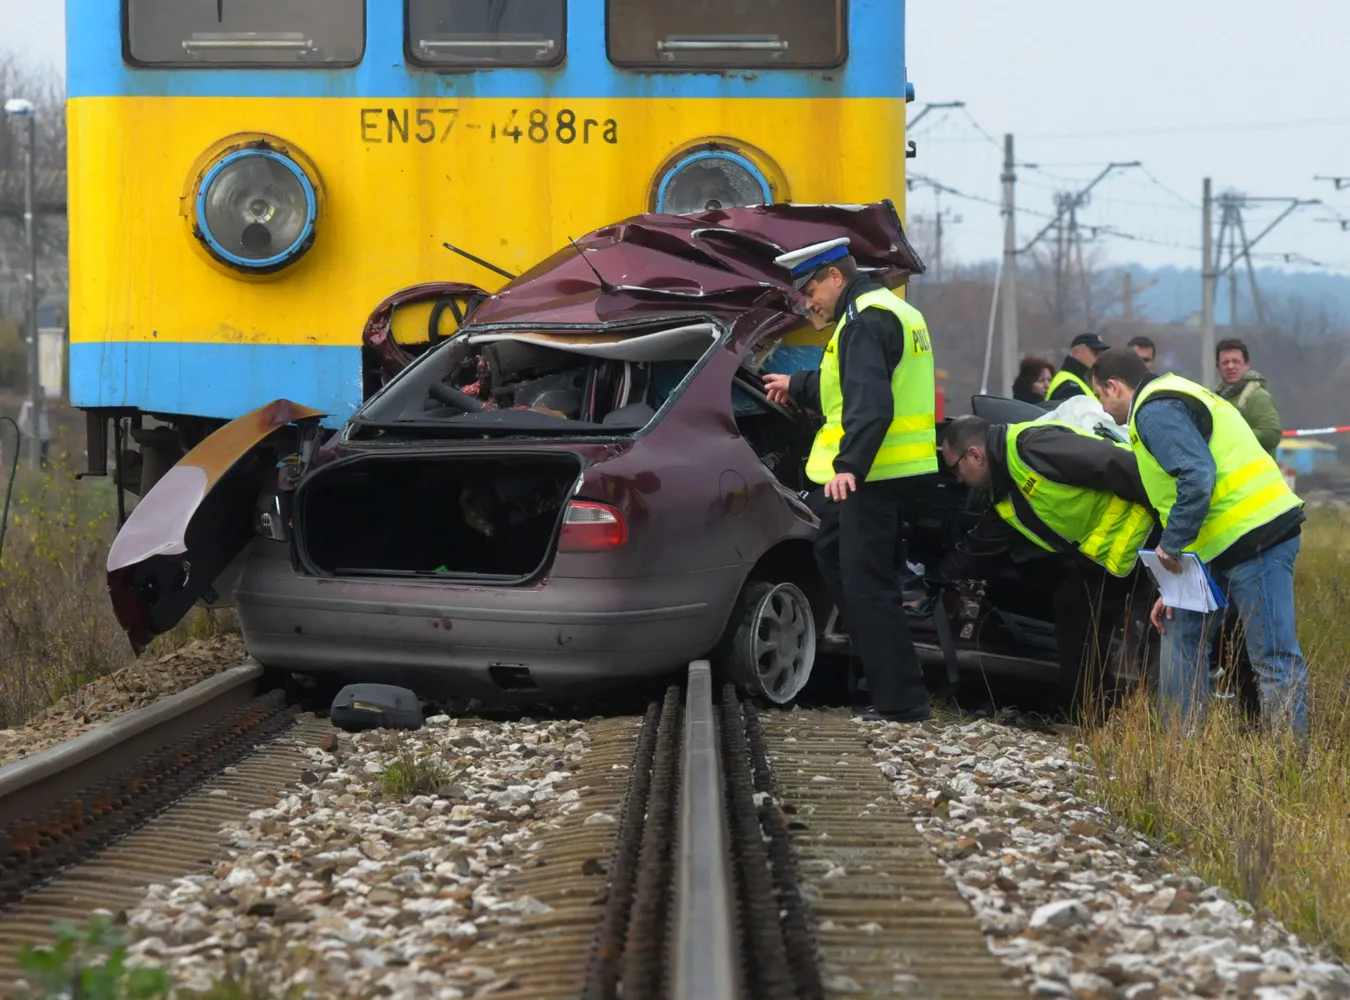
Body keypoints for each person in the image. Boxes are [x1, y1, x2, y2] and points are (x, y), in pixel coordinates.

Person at [1089, 348, 1308, 735]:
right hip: (1217, 545)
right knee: (1179, 635)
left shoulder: (1152, 412)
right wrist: (1174, 585)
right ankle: (1180, 746)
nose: (1104, 409)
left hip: (1258, 536)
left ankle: (1288, 762)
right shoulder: (1172, 394)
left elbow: (1197, 474)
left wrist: (1170, 547)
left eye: (1101, 397)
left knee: (1273, 657)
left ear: (1115, 386)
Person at [763, 237, 934, 722]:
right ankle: (878, 679)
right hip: (886, 471)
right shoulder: (882, 311)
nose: (809, 302)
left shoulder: (863, 321)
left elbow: (871, 404)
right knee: (832, 554)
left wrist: (849, 467)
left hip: (871, 475)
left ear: (835, 277)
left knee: (868, 584)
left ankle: (901, 702)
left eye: (811, 289)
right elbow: (848, 385)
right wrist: (794, 384)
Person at [937, 414, 1157, 714]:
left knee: (1152, 626)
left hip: (1149, 536)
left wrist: (1173, 519)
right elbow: (981, 547)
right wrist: (937, 582)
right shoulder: (1004, 491)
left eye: (955, 468)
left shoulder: (1033, 447)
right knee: (1074, 611)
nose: (957, 479)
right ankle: (1095, 715)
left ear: (974, 455)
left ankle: (1108, 715)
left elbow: (1114, 463)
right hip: (1110, 558)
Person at [1214, 338, 1282, 459]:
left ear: (1246, 365)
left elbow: (1271, 435)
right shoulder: (1216, 399)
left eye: (1236, 361)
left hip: (1256, 475)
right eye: (1225, 362)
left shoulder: (1258, 397)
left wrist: (1232, 439)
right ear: (1218, 367)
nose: (1230, 366)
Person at [1046, 333, 1108, 402]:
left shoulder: (1082, 380)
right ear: (1076, 353)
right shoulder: (1069, 385)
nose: (1099, 358)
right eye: (1095, 353)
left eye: (1101, 354)